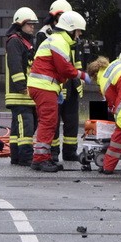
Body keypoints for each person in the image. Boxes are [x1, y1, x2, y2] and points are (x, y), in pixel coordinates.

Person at [27, 11, 92, 173]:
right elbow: (64, 68)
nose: (79, 35)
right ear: (70, 30)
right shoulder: (59, 41)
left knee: (48, 121)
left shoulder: (57, 40)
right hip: (44, 86)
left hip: (45, 86)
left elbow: (58, 69)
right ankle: (40, 159)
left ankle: (44, 156)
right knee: (48, 122)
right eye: (77, 31)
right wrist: (81, 74)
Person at [36, 0, 84, 162]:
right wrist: (81, 76)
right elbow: (55, 64)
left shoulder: (72, 35)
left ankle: (70, 152)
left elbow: (76, 60)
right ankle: (52, 153)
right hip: (53, 83)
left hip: (70, 82)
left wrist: (79, 80)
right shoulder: (45, 34)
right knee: (52, 121)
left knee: (71, 120)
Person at [4, 7, 39, 166]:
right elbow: (16, 66)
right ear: (20, 24)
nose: (33, 27)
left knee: (18, 128)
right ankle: (25, 158)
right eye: (30, 24)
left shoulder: (24, 42)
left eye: (33, 24)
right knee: (26, 126)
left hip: (25, 94)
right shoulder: (15, 42)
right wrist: (22, 87)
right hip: (20, 94)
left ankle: (16, 157)